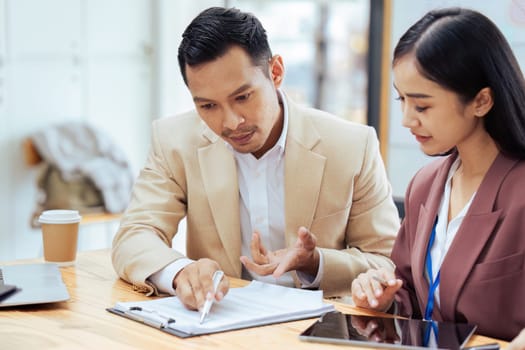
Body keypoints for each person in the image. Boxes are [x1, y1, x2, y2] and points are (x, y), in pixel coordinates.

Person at [112, 6, 400, 311]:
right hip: (220, 326)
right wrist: (180, 272)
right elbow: (135, 235)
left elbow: (387, 260)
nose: (231, 122)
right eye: (208, 106)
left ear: (275, 72)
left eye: (242, 97)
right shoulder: (174, 141)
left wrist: (316, 262)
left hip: (319, 327)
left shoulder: (351, 145)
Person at [350, 7, 525, 342]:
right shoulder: (425, 185)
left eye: (422, 106)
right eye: (401, 100)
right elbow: (414, 294)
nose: (406, 119)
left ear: (481, 101)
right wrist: (384, 297)